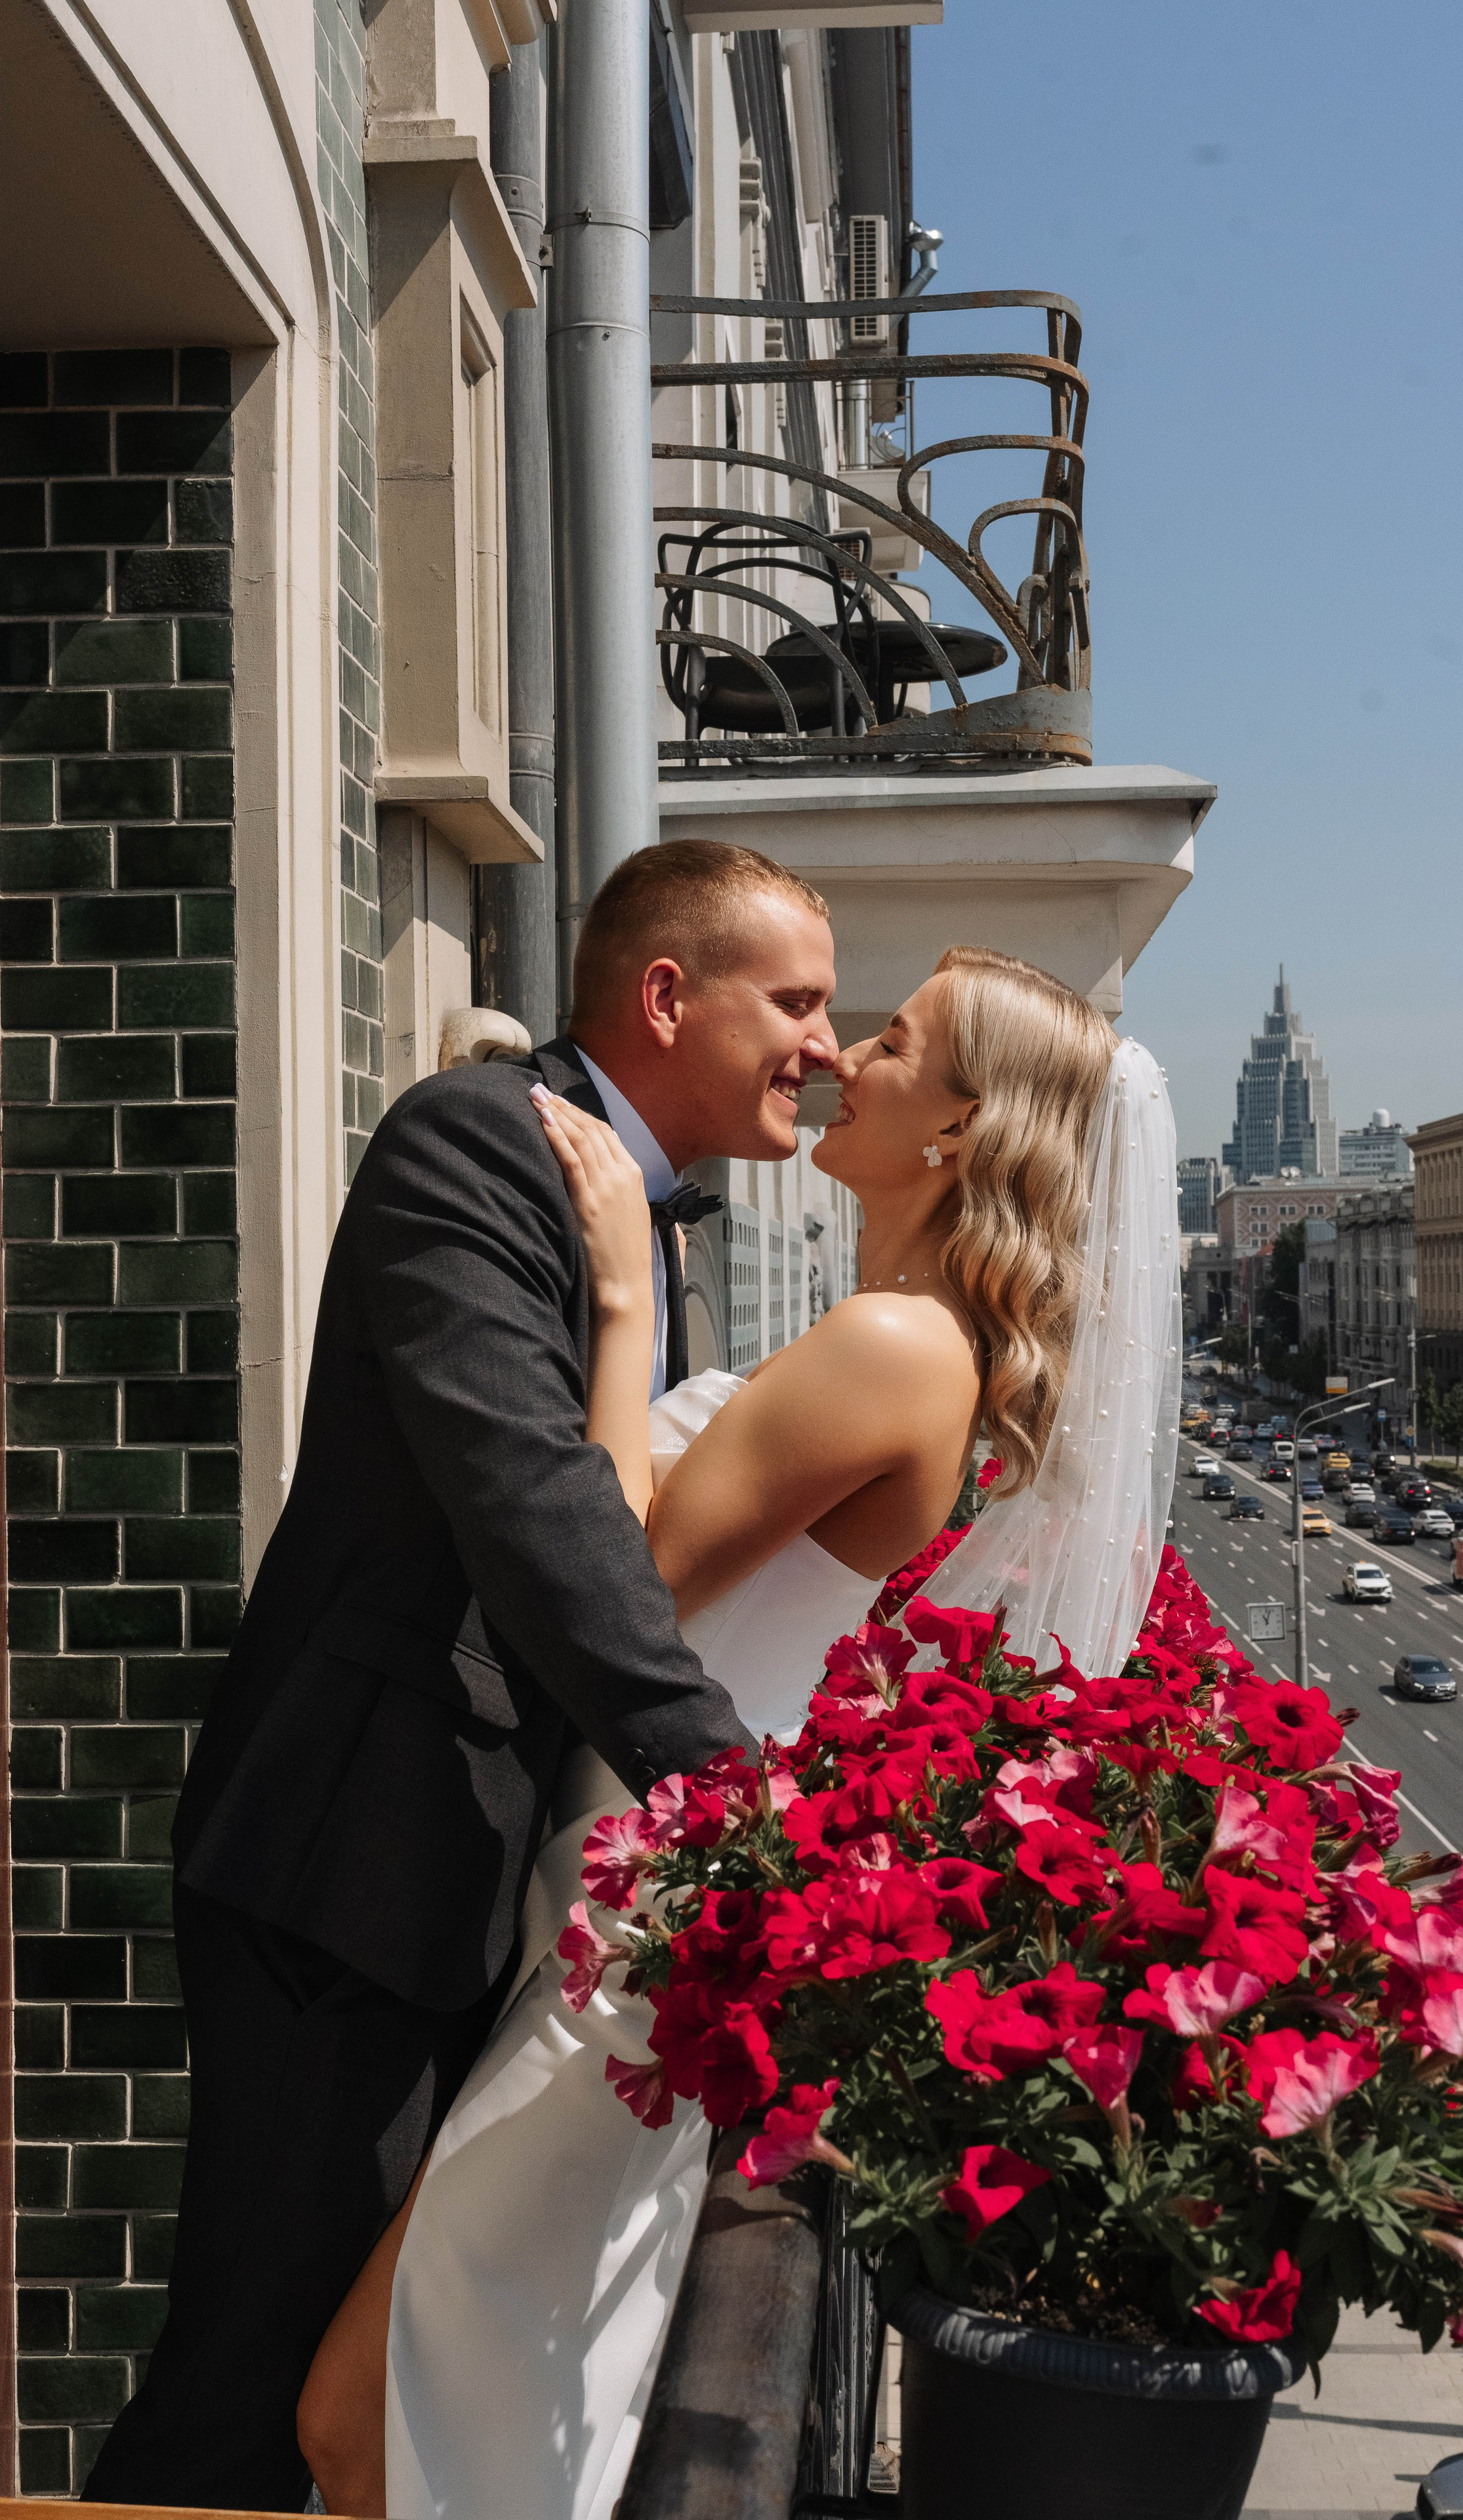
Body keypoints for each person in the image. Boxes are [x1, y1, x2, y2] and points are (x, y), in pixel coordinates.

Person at [296, 947, 1182, 2520]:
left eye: (893, 1041)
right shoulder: (912, 1337)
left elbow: (618, 1579)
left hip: (634, 1944)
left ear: (959, 1135)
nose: (843, 1052)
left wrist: (624, 1292)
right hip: (628, 1902)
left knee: (378, 2425)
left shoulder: (898, 1348)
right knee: (451, 2417)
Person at [85, 841, 842, 2513]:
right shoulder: (475, 1141)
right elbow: (538, 1509)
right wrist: (742, 1813)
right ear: (666, 995)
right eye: (795, 1001)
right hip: (351, 1868)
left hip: (467, 1880)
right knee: (247, 2390)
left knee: (354, 2384)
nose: (828, 1048)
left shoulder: (634, 1211)